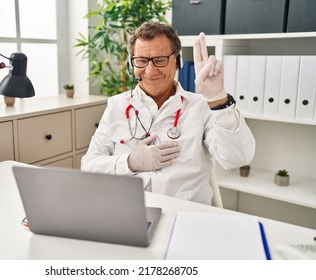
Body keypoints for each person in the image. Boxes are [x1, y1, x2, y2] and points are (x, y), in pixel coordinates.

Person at [81, 22, 255, 205]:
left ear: (177, 60)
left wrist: (218, 99)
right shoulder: (117, 105)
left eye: (160, 60)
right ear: (131, 62)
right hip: (128, 212)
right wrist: (131, 162)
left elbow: (237, 158)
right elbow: (89, 165)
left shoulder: (201, 107)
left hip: (185, 216)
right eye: (141, 60)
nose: (150, 70)